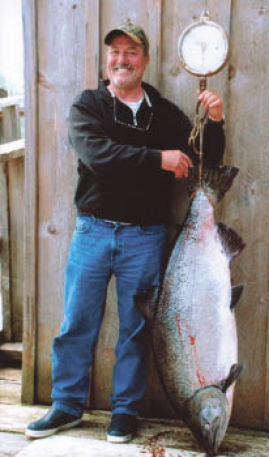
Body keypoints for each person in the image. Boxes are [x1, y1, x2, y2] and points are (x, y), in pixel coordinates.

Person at [25, 20, 225, 443]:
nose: (122, 59)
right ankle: (67, 405)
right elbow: (99, 155)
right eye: (115, 52)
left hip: (145, 236)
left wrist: (215, 122)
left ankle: (125, 411)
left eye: (131, 52)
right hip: (92, 232)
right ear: (107, 59)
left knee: (136, 326)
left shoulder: (166, 114)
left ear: (145, 60)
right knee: (77, 321)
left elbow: (200, 158)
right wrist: (158, 160)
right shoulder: (89, 106)